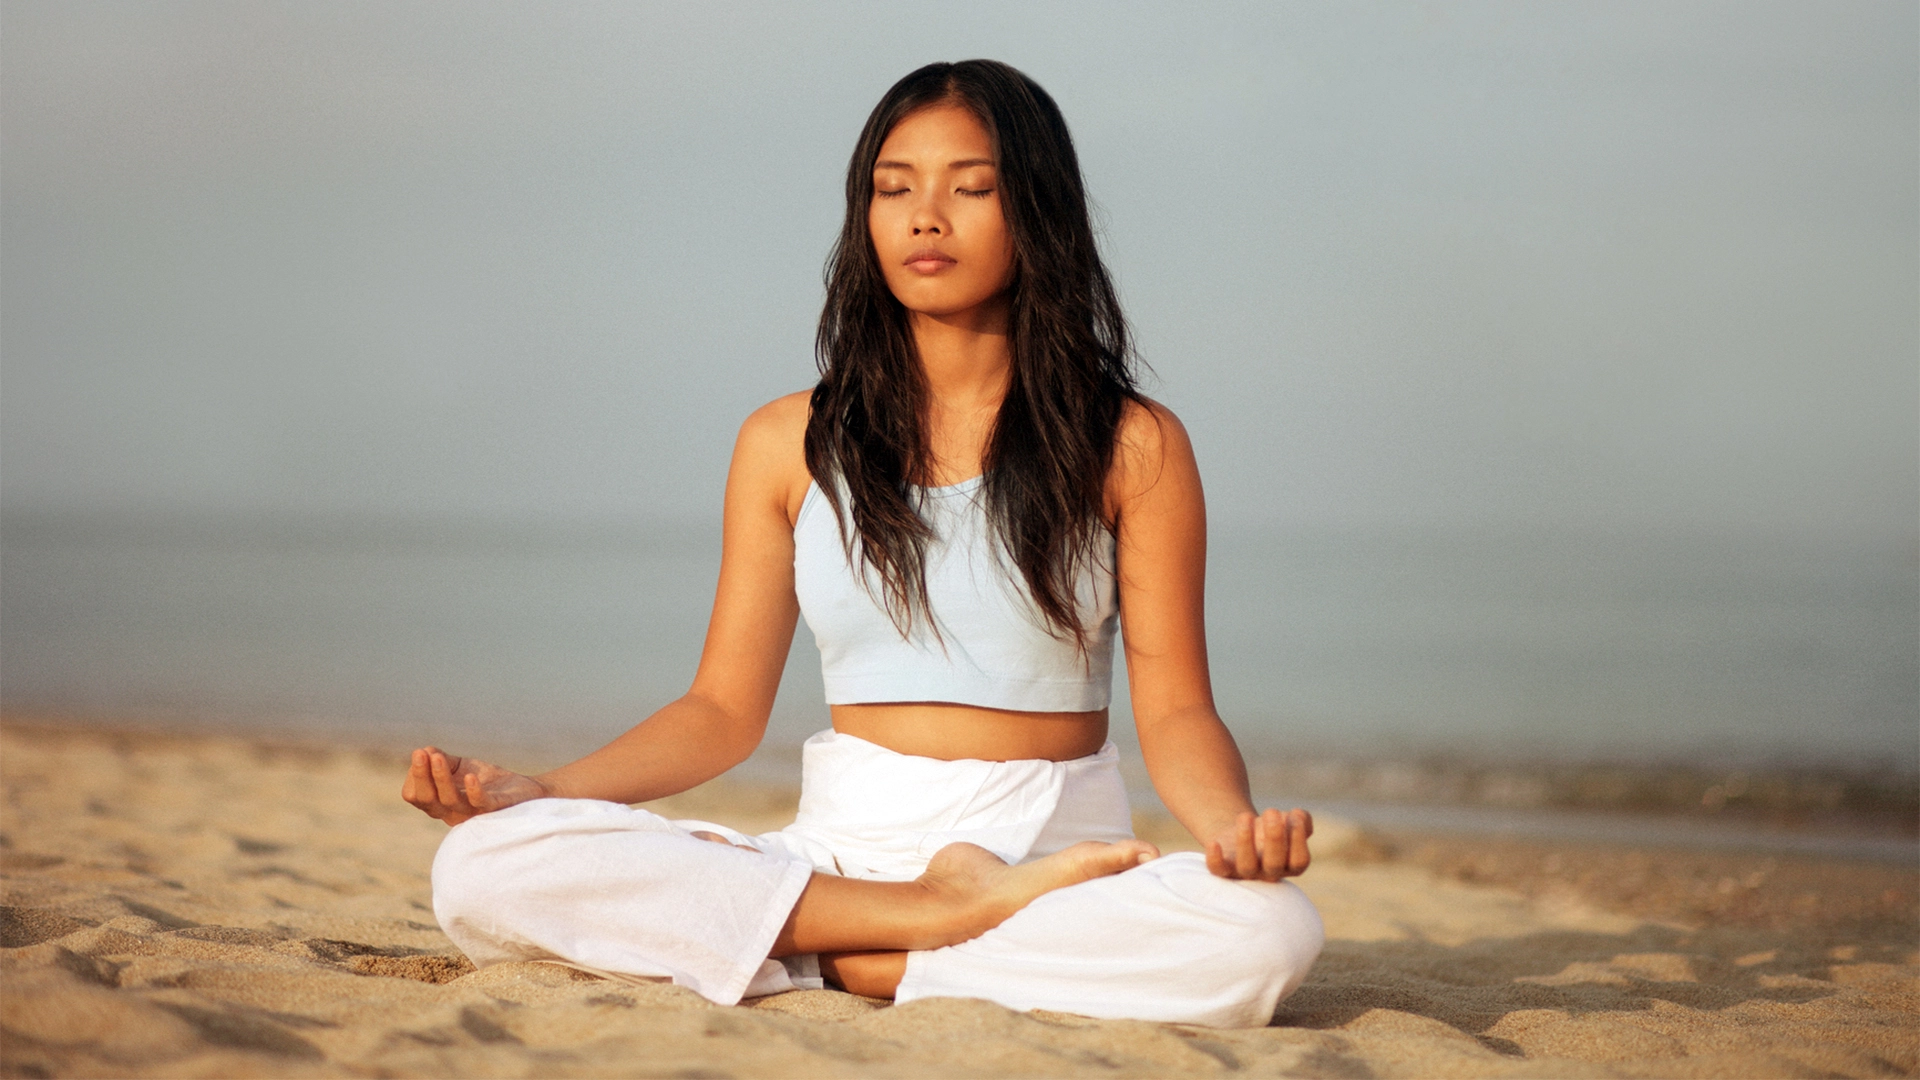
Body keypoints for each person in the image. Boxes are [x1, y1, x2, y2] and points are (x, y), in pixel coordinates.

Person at [402, 59, 1323, 1028]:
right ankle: (918, 925)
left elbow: (1176, 710)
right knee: (483, 862)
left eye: (971, 188)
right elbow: (720, 708)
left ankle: (841, 960)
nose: (926, 216)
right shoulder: (786, 442)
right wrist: (542, 792)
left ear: (1037, 213)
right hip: (839, 857)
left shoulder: (1133, 445)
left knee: (1268, 932)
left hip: (1052, 863)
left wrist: (1231, 833)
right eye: (894, 189)